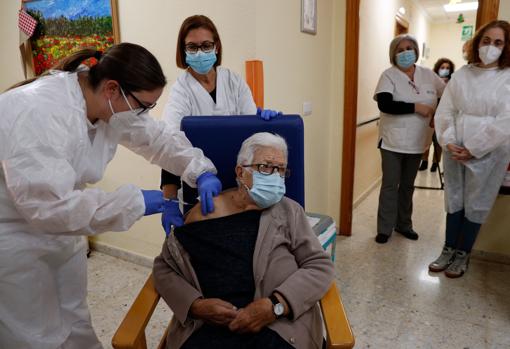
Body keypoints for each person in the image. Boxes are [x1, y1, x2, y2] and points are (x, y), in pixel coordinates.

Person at [0, 43, 222, 348]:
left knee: (75, 319)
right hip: (14, 239)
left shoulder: (109, 107)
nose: (143, 115)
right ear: (112, 88)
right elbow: (49, 207)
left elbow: (156, 138)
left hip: (62, 231)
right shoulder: (37, 111)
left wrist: (201, 170)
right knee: (34, 334)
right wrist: (134, 202)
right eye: (143, 105)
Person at [153, 132, 334, 349]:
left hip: (278, 326)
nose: (276, 177)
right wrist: (195, 306)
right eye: (267, 167)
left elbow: (320, 266)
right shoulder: (205, 211)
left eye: (281, 170)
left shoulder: (289, 211)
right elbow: (164, 268)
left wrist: (276, 305)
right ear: (241, 171)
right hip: (208, 327)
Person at [160, 15, 281, 235]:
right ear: (183, 51)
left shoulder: (234, 82)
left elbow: (251, 135)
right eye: (192, 47)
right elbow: (169, 146)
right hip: (198, 190)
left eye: (206, 45)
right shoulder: (180, 92)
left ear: (216, 47)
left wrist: (261, 121)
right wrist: (168, 201)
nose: (200, 52)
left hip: (241, 186)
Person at [429, 20, 510, 278]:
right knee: (454, 199)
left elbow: (506, 119)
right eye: (486, 41)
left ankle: (463, 253)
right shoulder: (463, 74)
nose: (490, 47)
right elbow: (446, 111)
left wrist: (475, 148)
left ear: (506, 46)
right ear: (477, 43)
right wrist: (450, 141)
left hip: (490, 152)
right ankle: (448, 248)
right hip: (455, 148)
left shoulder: (507, 77)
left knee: (477, 203)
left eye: (498, 42)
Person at [373, 34, 445, 244]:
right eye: (400, 50)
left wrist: (438, 114)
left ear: (416, 51)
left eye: (409, 48)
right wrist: (416, 107)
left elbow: (448, 94)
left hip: (418, 141)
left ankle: (404, 224)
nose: (405, 53)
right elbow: (385, 104)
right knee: (390, 186)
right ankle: (384, 228)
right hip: (392, 142)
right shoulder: (388, 75)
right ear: (393, 54)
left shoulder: (428, 75)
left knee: (407, 185)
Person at [419, 58, 455, 172]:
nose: (445, 70)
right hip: (430, 114)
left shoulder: (453, 82)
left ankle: (435, 162)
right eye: (442, 67)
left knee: (438, 141)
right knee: (427, 138)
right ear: (437, 68)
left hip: (444, 116)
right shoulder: (432, 81)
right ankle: (424, 161)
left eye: (448, 68)